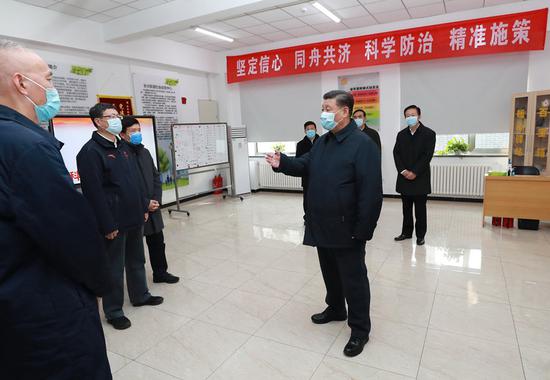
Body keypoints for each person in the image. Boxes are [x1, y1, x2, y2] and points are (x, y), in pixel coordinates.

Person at [0, 39, 112, 379]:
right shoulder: (26, 146)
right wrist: (98, 284)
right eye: (47, 79)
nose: (52, 89)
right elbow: (71, 236)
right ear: (21, 83)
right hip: (45, 310)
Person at [266, 90, 382, 358]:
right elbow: (306, 165)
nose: (323, 114)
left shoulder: (362, 144)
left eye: (328, 108)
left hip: (347, 227)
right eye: (322, 108)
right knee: (330, 271)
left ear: (344, 112)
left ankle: (360, 329)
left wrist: (364, 229)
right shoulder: (323, 141)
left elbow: (371, 191)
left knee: (353, 279)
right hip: (321, 222)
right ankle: (336, 308)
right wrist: (282, 163)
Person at [77, 103, 164, 331]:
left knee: (137, 260)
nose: (117, 119)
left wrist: (143, 207)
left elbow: (133, 183)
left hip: (134, 215)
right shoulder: (90, 152)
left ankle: (140, 295)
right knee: (114, 268)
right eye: (111, 116)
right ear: (98, 121)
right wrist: (107, 224)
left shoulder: (122, 147)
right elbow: (93, 193)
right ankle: (114, 311)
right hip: (114, 221)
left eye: (118, 115)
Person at [121, 116, 179, 284]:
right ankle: (138, 286)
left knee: (157, 242)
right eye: (133, 131)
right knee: (135, 250)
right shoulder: (121, 155)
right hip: (136, 208)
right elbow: (127, 185)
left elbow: (155, 177)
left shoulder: (145, 152)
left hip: (152, 206)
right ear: (123, 135)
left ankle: (160, 273)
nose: (137, 134)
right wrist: (144, 203)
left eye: (139, 130)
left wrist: (156, 200)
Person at [392, 105, 436, 246]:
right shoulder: (401, 134)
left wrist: (415, 172)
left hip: (420, 178)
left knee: (420, 209)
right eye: (407, 115)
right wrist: (403, 171)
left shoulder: (429, 134)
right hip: (404, 177)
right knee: (406, 208)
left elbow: (426, 156)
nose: (410, 117)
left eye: (413, 114)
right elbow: (396, 153)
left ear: (419, 116)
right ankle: (406, 232)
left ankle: (420, 235)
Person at [295, 121, 319, 221]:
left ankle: (319, 217)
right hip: (307, 176)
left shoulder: (323, 141)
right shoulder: (300, 144)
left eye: (312, 129)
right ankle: (307, 217)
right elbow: (298, 160)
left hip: (320, 176)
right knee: (307, 199)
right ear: (305, 131)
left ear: (316, 129)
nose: (310, 131)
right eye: (308, 129)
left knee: (320, 198)